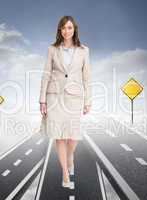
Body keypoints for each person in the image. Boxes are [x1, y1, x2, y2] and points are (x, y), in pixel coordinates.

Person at [38, 15, 92, 188]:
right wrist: (42, 100)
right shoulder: (52, 49)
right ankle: (65, 173)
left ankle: (70, 157)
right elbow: (46, 74)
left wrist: (88, 100)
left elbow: (87, 77)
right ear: (59, 30)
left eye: (69, 28)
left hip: (74, 98)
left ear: (74, 29)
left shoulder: (84, 50)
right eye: (63, 28)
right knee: (59, 137)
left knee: (73, 135)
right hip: (54, 97)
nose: (66, 31)